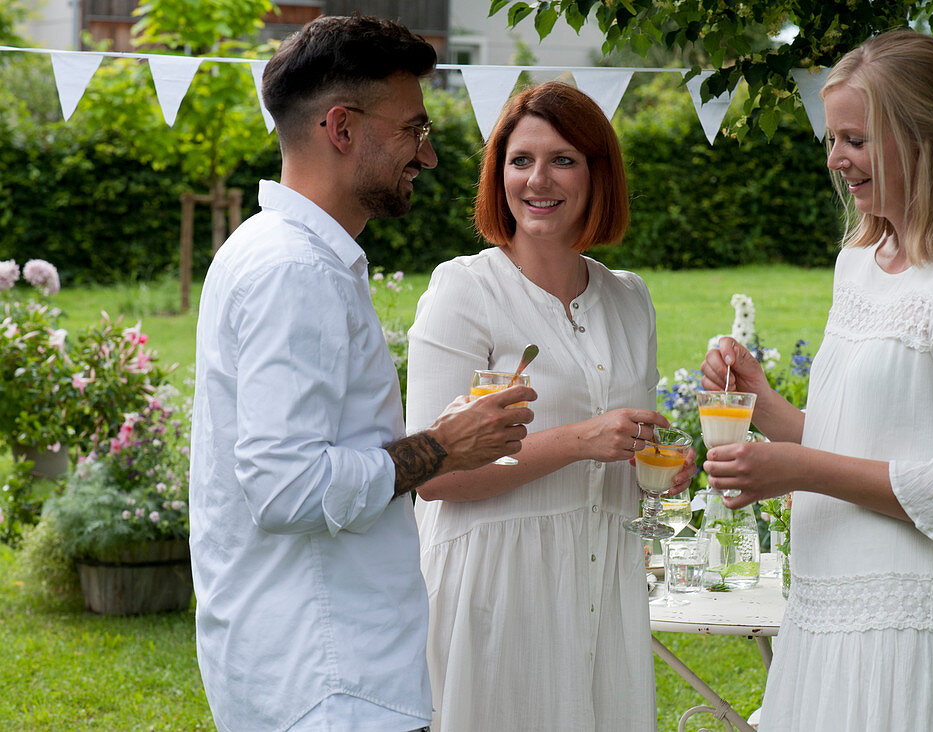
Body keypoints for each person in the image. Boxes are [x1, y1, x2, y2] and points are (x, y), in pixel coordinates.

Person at [188, 16, 536, 731]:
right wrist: (444, 447)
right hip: (326, 682)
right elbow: (284, 486)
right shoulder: (296, 271)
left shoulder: (277, 251)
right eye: (414, 130)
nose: (428, 156)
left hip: (317, 669)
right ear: (341, 128)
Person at [701, 29, 933, 730]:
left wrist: (798, 469)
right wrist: (758, 403)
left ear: (924, 139)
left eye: (857, 139)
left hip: (905, 628)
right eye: (833, 140)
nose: (838, 159)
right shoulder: (859, 261)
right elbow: (854, 443)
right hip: (820, 609)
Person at [405, 81, 694, 731]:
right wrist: (581, 440)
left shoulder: (629, 299)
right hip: (497, 591)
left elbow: (626, 451)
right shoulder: (463, 292)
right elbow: (434, 476)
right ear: (498, 173)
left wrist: (661, 468)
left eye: (563, 159)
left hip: (603, 584)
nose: (538, 179)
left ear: (599, 175)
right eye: (520, 159)